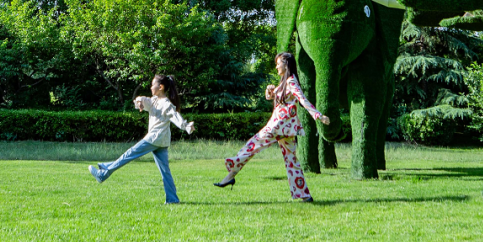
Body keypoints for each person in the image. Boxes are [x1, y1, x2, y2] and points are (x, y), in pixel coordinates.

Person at [215, 52, 330, 202]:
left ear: (286, 64)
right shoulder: (285, 81)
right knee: (291, 160)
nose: (276, 66)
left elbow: (302, 99)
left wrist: (318, 115)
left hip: (279, 125)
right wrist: (269, 91)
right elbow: (273, 98)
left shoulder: (290, 81)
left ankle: (232, 169)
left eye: (278, 63)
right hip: (285, 127)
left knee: (254, 144)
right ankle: (304, 196)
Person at [88, 74, 195, 204]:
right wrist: (138, 100)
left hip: (155, 138)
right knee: (165, 171)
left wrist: (186, 126)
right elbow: (144, 100)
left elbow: (175, 116)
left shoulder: (166, 104)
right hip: (161, 141)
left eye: (152, 85)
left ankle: (104, 173)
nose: (150, 87)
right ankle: (172, 199)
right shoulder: (155, 101)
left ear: (160, 87)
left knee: (129, 154)